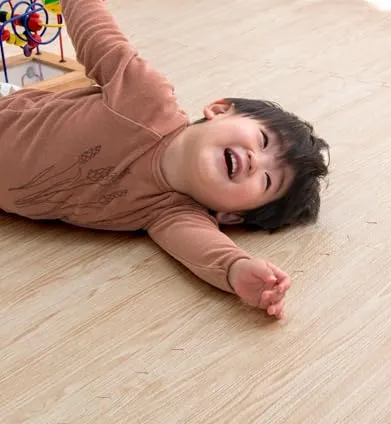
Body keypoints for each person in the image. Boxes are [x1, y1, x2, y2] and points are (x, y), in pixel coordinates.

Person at [0, 0, 330, 319]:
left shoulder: (172, 213)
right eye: (263, 140)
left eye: (268, 181)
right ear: (219, 110)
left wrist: (237, 270)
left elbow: (208, 252)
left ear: (230, 217)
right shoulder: (145, 99)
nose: (256, 161)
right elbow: (98, 35)